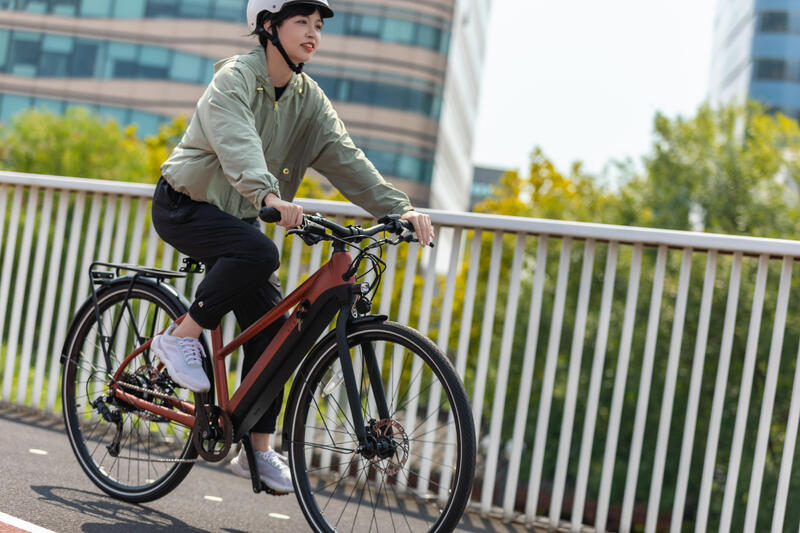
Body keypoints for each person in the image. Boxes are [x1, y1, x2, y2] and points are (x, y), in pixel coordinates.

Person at [149, 0, 434, 493]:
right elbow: (237, 140)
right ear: (267, 26)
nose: (313, 33)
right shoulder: (234, 79)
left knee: (278, 334)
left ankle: (257, 453)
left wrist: (396, 208)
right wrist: (267, 195)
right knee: (261, 254)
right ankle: (180, 336)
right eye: (301, 21)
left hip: (239, 218)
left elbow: (346, 157)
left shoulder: (308, 99)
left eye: (318, 25)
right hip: (187, 205)